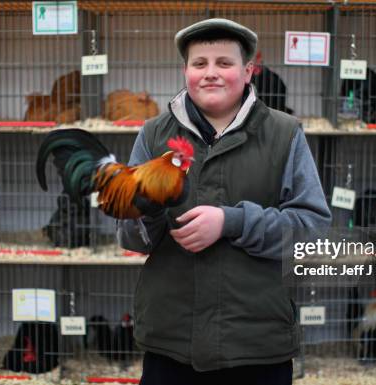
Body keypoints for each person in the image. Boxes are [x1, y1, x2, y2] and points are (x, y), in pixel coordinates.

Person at [117, 18, 332, 385]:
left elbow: (310, 232)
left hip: (256, 344)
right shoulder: (154, 133)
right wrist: (146, 212)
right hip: (171, 341)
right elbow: (131, 238)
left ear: (248, 71)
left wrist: (232, 222)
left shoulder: (284, 134)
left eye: (224, 63)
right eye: (199, 63)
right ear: (185, 70)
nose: (210, 73)